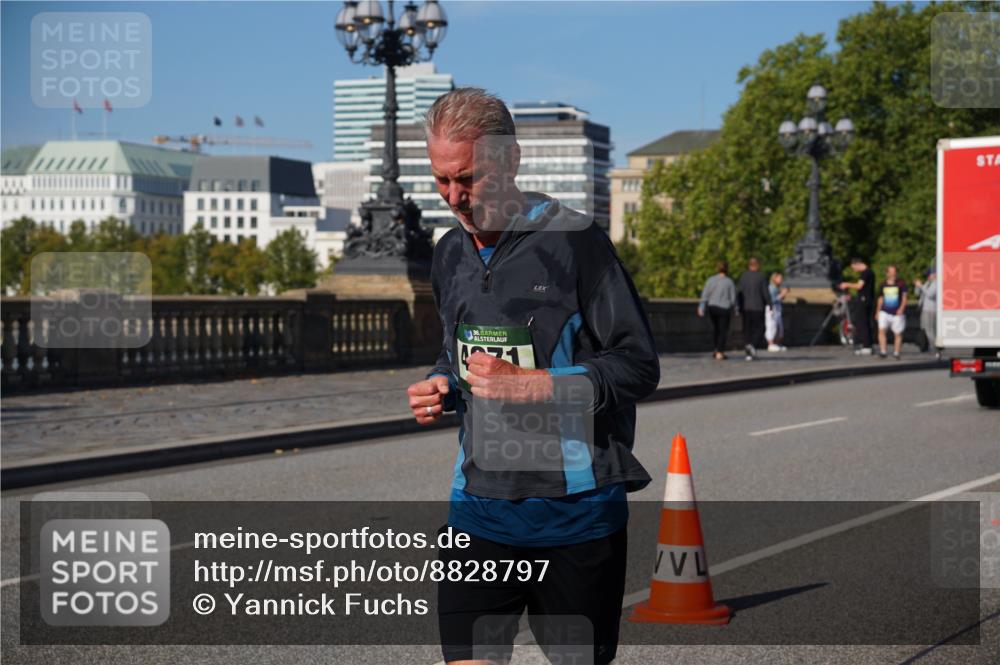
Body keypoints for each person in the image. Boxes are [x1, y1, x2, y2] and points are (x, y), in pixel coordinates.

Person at [405, 88, 659, 665]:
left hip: (573, 515)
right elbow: (457, 356)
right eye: (440, 179)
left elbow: (639, 364)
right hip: (479, 511)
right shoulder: (448, 253)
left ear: (510, 161)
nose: (453, 197)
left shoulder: (577, 243)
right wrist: (440, 385)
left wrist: (538, 385)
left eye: (467, 178)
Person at [698, 261, 737, 360]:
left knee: (715, 329)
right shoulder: (729, 282)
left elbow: (705, 295)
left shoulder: (711, 280)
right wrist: (736, 310)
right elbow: (733, 299)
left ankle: (716, 349)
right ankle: (720, 351)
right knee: (723, 330)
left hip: (712, 307)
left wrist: (701, 307)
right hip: (724, 308)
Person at [736, 257, 772, 361]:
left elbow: (739, 293)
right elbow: (765, 292)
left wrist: (738, 306)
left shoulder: (743, 276)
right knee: (760, 329)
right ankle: (753, 345)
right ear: (757, 265)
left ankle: (748, 351)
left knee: (747, 330)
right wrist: (770, 304)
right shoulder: (761, 277)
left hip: (746, 308)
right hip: (758, 307)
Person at [839, 257, 876, 355]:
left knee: (861, 323)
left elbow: (859, 286)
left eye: (854, 268)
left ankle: (866, 345)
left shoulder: (865, 273)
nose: (854, 270)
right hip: (868, 300)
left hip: (864, 301)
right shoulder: (870, 272)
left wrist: (847, 284)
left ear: (857, 264)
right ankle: (868, 345)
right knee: (866, 323)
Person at [875, 264, 909, 359]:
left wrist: (901, 308)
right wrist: (877, 311)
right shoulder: (883, 284)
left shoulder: (901, 284)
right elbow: (880, 298)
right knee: (881, 330)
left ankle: (896, 352)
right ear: (887, 273)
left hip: (897, 312)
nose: (893, 274)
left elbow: (904, 297)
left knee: (898, 333)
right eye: (891, 272)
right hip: (884, 311)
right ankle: (883, 351)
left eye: (894, 272)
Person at [914, 266, 941, 359]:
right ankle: (927, 346)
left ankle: (935, 348)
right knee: (924, 329)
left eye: (929, 274)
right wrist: (917, 287)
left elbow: (930, 294)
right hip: (924, 309)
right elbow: (918, 294)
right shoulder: (928, 283)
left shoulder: (937, 283)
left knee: (930, 330)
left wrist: (921, 286)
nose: (928, 276)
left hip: (931, 309)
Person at [765, 271, 789, 352]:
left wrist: (782, 295)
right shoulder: (771, 288)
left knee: (779, 327)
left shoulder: (776, 288)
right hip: (772, 309)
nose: (781, 280)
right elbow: (772, 300)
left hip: (777, 309)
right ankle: (770, 343)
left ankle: (776, 343)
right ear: (774, 278)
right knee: (772, 326)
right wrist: (781, 295)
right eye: (779, 278)